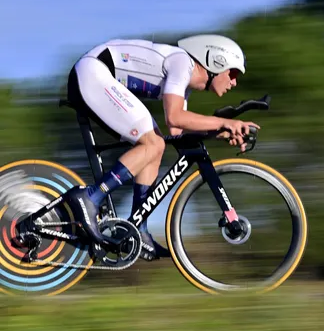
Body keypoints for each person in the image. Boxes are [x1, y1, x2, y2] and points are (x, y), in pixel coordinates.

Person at [63, 34, 259, 260]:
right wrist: (224, 122)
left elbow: (177, 132)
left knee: (156, 145)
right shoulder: (182, 63)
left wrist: (222, 133)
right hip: (93, 73)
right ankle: (90, 197)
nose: (234, 82)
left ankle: (138, 230)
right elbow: (175, 117)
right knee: (153, 143)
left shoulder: (184, 85)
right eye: (233, 74)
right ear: (216, 62)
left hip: (97, 76)